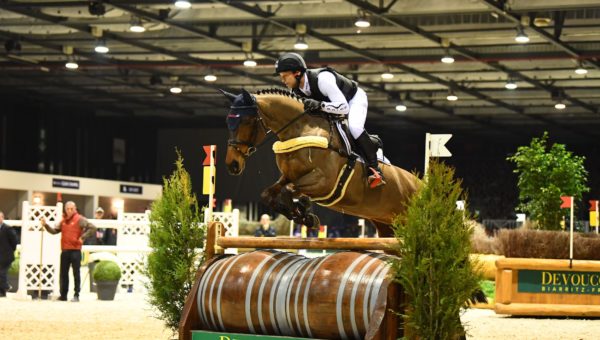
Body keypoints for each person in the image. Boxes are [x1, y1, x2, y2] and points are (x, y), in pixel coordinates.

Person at [275, 52, 386, 188]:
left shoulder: (322, 79)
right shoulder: (296, 92)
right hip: (332, 106)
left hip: (353, 99)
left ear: (297, 73)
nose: (283, 81)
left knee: (354, 128)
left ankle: (374, 169)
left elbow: (344, 108)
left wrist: (320, 105)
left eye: (285, 76)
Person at [40, 201, 96, 302]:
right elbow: (54, 231)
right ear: (65, 209)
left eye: (71, 209)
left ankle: (76, 295)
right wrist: (46, 225)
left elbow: (92, 228)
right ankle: (63, 295)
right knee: (63, 274)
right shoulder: (63, 221)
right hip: (65, 250)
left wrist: (83, 237)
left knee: (76, 273)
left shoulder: (80, 219)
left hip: (75, 251)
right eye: (67, 209)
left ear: (75, 209)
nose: (69, 211)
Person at [0, 211, 18, 297]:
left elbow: (14, 241)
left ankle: (6, 286)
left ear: (2, 218)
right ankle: (2, 292)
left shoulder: (7, 228)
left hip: (6, 256)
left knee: (2, 273)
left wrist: (11, 250)